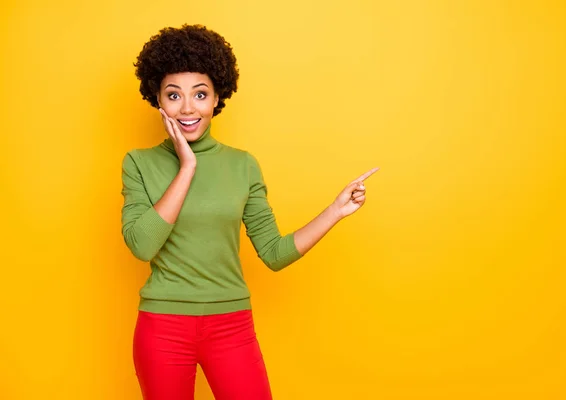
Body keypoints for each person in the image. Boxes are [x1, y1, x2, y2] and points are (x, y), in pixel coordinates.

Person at [121, 24, 378, 400]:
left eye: (200, 94)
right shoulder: (139, 163)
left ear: (216, 99)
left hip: (231, 326)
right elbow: (142, 246)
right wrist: (187, 167)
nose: (188, 107)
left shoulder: (242, 166)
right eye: (174, 95)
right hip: (163, 327)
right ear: (157, 99)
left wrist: (335, 211)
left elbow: (273, 253)